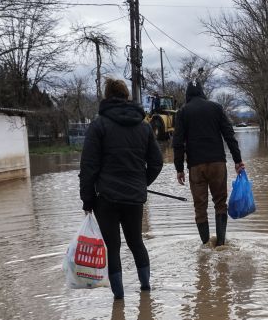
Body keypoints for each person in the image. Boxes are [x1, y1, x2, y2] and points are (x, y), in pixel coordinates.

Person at [79, 78, 163, 298]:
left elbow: (88, 166)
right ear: (127, 97)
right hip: (134, 198)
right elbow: (157, 162)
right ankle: (146, 291)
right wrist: (141, 183)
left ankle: (119, 300)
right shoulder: (144, 126)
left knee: (113, 247)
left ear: (107, 97)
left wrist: (87, 199)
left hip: (105, 198)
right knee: (136, 242)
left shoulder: (98, 125)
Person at [172, 80, 244, 246]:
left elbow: (178, 143)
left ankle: (206, 245)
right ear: (202, 92)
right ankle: (220, 244)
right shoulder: (216, 108)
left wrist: (179, 168)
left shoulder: (183, 112)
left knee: (200, 208)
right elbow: (229, 135)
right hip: (218, 163)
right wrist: (238, 160)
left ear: (188, 95)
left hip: (196, 166)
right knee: (220, 204)